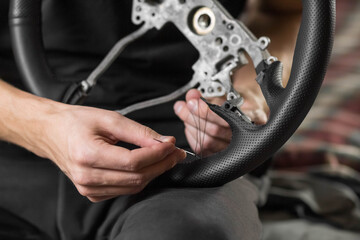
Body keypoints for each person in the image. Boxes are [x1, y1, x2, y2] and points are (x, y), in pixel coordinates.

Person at [0, 0, 301, 239]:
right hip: (14, 129)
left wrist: (248, 95)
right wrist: (41, 126)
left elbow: (282, 12)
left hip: (184, 153)